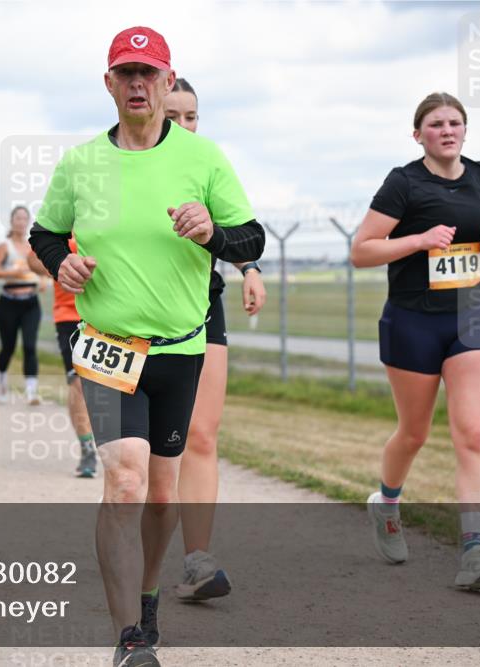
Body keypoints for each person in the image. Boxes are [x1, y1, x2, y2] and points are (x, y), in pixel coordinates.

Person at [29, 27, 264, 665]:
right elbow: (46, 236)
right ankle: (131, 638)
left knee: (163, 494)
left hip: (181, 349)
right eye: (126, 74)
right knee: (126, 481)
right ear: (108, 83)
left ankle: (151, 592)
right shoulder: (80, 163)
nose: (138, 85)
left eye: (149, 74)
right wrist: (63, 266)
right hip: (105, 345)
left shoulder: (202, 158)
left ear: (167, 81)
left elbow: (252, 242)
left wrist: (214, 232)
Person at [350, 92, 480, 590]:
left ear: (465, 130)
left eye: (455, 122)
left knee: (472, 433)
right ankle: (388, 503)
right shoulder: (404, 182)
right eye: (436, 124)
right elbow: (361, 251)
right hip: (413, 320)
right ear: (418, 134)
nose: (447, 129)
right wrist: (418, 240)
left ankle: (474, 552)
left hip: (470, 319)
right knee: (414, 433)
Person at [164, 77, 267, 603]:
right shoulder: (116, 163)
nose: (185, 126)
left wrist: (248, 266)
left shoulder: (207, 163)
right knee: (146, 453)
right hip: (134, 320)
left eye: (193, 116)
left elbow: (240, 230)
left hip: (203, 307)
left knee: (202, 436)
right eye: (174, 115)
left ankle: (197, 561)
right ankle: (132, 549)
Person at [28, 239, 98, 478]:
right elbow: (33, 259)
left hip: (112, 316)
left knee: (119, 385)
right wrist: (61, 264)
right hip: (71, 316)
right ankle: (88, 448)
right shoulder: (62, 220)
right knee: (79, 382)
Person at [0, 206, 44, 405]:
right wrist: (13, 273)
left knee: (29, 346)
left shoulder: (32, 247)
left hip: (30, 302)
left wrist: (43, 280)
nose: (21, 222)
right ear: (12, 221)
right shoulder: (5, 246)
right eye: (18, 218)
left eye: (24, 219)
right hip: (8, 303)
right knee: (8, 348)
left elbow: (42, 270)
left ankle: (31, 392)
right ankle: (1, 378)